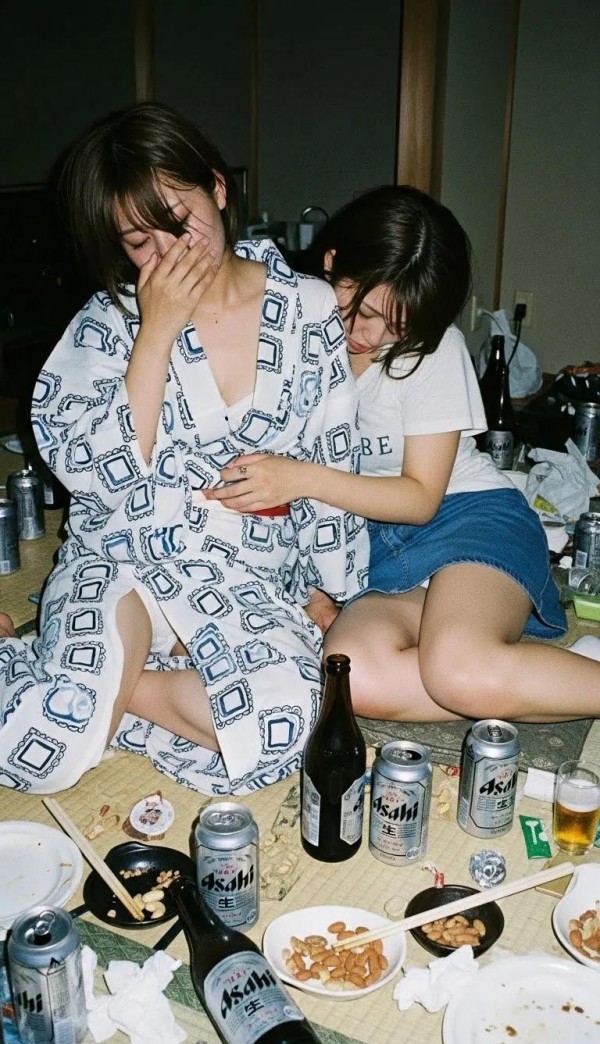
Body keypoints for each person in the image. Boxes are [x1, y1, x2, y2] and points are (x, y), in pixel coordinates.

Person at [0, 103, 369, 796]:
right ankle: (83, 689)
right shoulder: (108, 320)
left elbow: (330, 455)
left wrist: (329, 587)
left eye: (178, 217)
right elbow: (92, 476)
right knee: (44, 756)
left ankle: (112, 693)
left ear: (218, 189)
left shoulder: (310, 307)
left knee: (295, 719)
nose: (170, 251)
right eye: (140, 241)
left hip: (241, 568)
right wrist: (156, 331)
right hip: (122, 554)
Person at [207, 184, 600, 724]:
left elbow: (419, 499)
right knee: (353, 678)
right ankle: (530, 679)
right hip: (372, 549)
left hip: (467, 518)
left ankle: (492, 673)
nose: (369, 334)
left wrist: (299, 478)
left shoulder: (433, 350)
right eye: (362, 309)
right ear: (331, 262)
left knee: (457, 671)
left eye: (397, 324)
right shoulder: (290, 332)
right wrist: (314, 589)